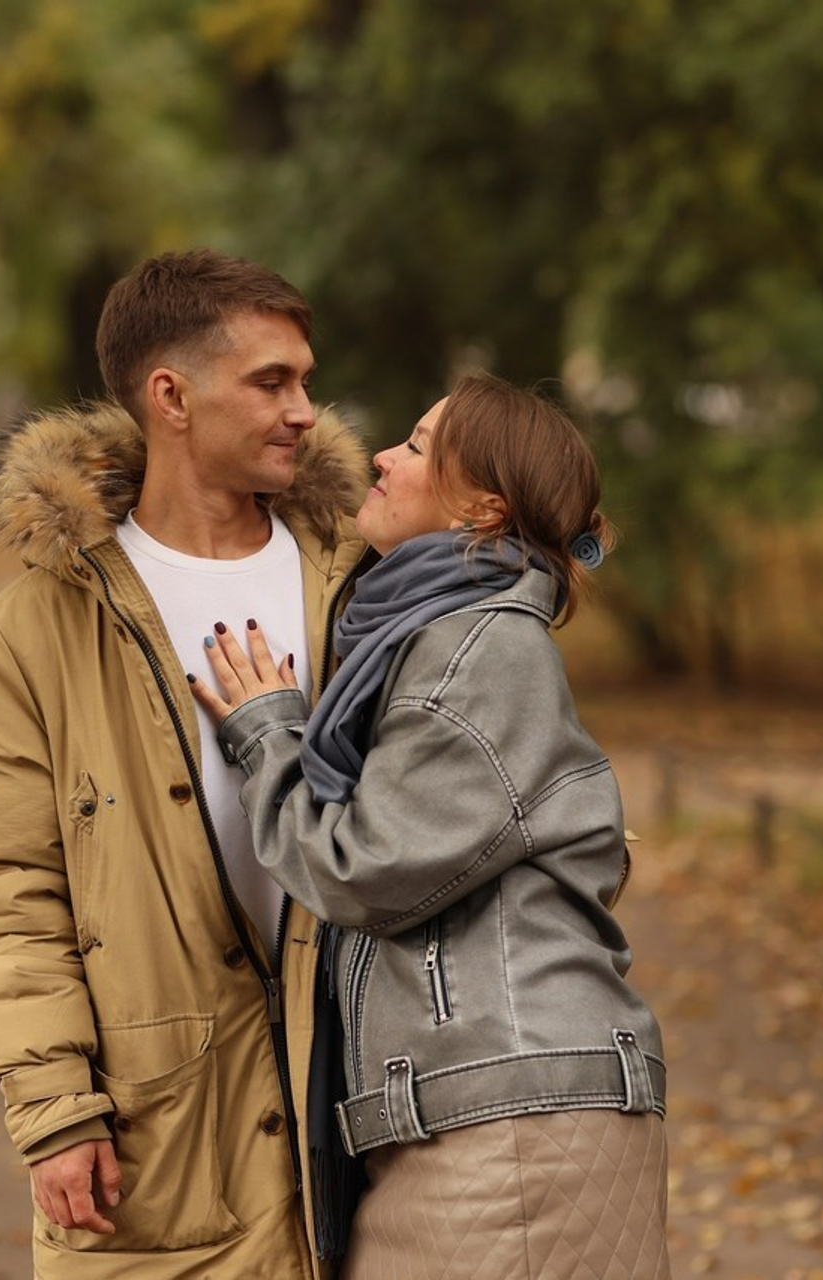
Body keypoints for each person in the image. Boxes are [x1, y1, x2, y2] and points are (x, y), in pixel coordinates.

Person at [0, 248, 369, 1278]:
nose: (304, 411)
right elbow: (9, 888)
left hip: (366, 1122)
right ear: (170, 396)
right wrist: (53, 1106)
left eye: (305, 381)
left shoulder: (362, 580)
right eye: (271, 381)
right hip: (161, 1150)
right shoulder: (33, 630)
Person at [191, 372, 671, 1279]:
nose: (381, 456)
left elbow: (363, 869)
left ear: (484, 511)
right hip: (480, 1111)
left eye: (415, 447)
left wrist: (268, 734)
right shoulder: (438, 635)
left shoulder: (481, 650)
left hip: (514, 1126)